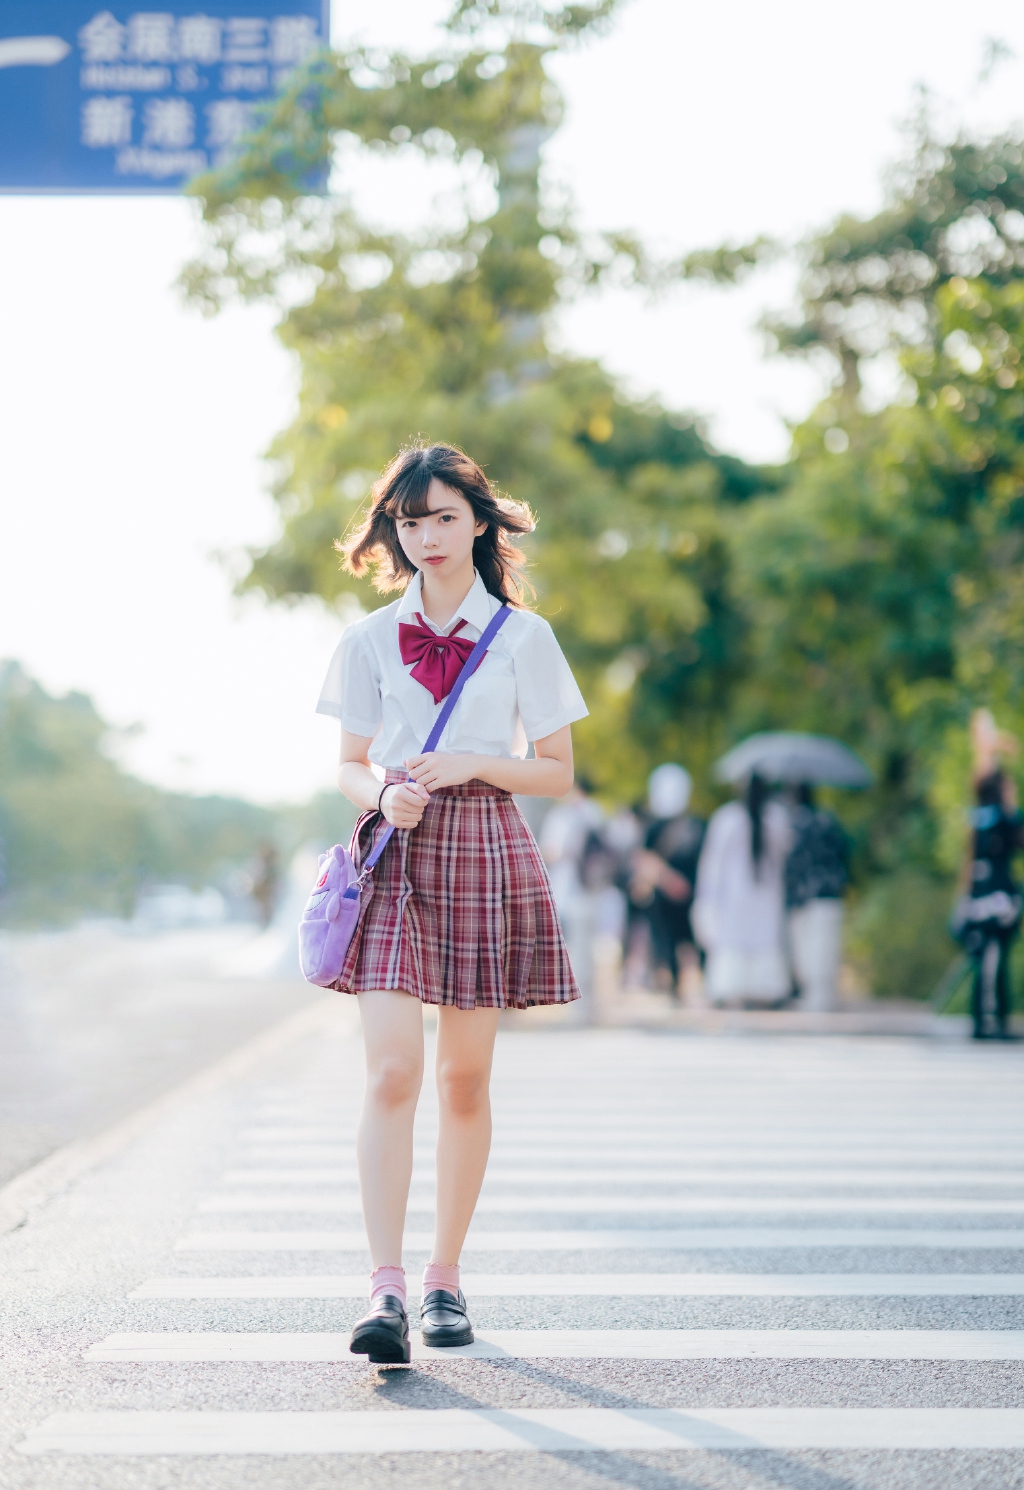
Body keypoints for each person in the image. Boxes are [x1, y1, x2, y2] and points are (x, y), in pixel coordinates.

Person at [315, 442, 588, 1363]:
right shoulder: (367, 639)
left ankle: (444, 1280)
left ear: (479, 520)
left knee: (463, 1080)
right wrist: (379, 792)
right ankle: (384, 1289)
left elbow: (556, 772)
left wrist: (474, 760)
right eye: (409, 520)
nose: (425, 536)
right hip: (396, 851)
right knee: (392, 1072)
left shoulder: (524, 639)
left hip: (483, 848)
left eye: (441, 517)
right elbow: (349, 762)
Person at [951, 710, 1023, 1041]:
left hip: (987, 894)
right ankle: (987, 1020)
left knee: (989, 959)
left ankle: (989, 1019)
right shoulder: (994, 818)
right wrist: (990, 746)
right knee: (989, 959)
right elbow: (983, 776)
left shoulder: (986, 819)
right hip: (992, 897)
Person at [691, 773, 792, 1007]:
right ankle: (766, 992)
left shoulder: (727, 819)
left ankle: (732, 992)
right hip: (768, 895)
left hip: (734, 897)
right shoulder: (777, 818)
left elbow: (712, 866)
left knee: (734, 943)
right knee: (765, 940)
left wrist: (707, 899)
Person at [539, 776, 610, 1024]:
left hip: (570, 890)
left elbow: (550, 852)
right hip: (593, 890)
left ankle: (578, 1008)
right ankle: (588, 1006)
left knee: (576, 951)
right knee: (586, 950)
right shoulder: (597, 814)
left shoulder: (564, 816)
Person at [630, 764, 705, 999]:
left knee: (679, 939)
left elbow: (644, 859)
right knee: (682, 940)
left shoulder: (665, 826)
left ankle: (678, 985)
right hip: (679, 893)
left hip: (682, 893)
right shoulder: (696, 824)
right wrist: (672, 881)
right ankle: (678, 984)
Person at [784, 784, 849, 1012]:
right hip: (830, 894)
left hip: (802, 897)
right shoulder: (828, 821)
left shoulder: (791, 825)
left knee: (805, 950)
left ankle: (812, 996)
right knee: (825, 949)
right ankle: (823, 997)